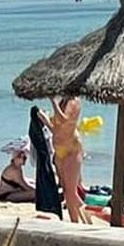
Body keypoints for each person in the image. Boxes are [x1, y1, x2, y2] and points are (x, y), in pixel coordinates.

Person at [47, 95, 93, 224]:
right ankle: (76, 222)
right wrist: (46, 121)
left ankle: (83, 219)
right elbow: (57, 128)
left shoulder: (74, 101)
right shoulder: (63, 101)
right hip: (59, 150)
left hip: (71, 150)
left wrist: (53, 103)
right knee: (67, 192)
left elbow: (64, 120)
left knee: (71, 192)